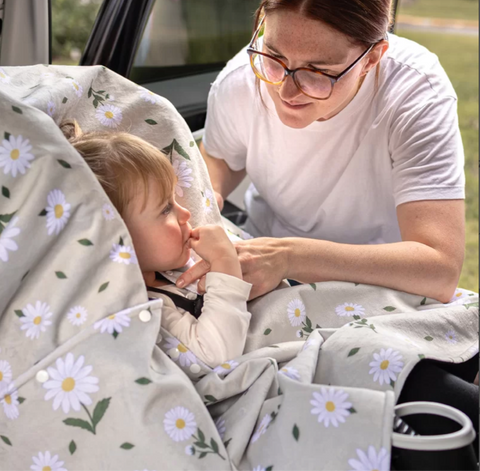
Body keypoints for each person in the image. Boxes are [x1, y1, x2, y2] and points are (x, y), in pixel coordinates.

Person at [176, 0, 466, 303]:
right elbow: (221, 160)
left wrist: (288, 257)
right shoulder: (241, 81)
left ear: (372, 58)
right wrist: (203, 201)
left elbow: (440, 269)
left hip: (378, 280)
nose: (285, 91)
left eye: (317, 72)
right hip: (260, 254)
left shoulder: (415, 96)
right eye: (275, 57)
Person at [60, 120, 252, 368]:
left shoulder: (165, 268)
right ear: (118, 237)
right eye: (165, 209)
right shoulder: (148, 309)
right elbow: (215, 354)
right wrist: (226, 262)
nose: (186, 214)